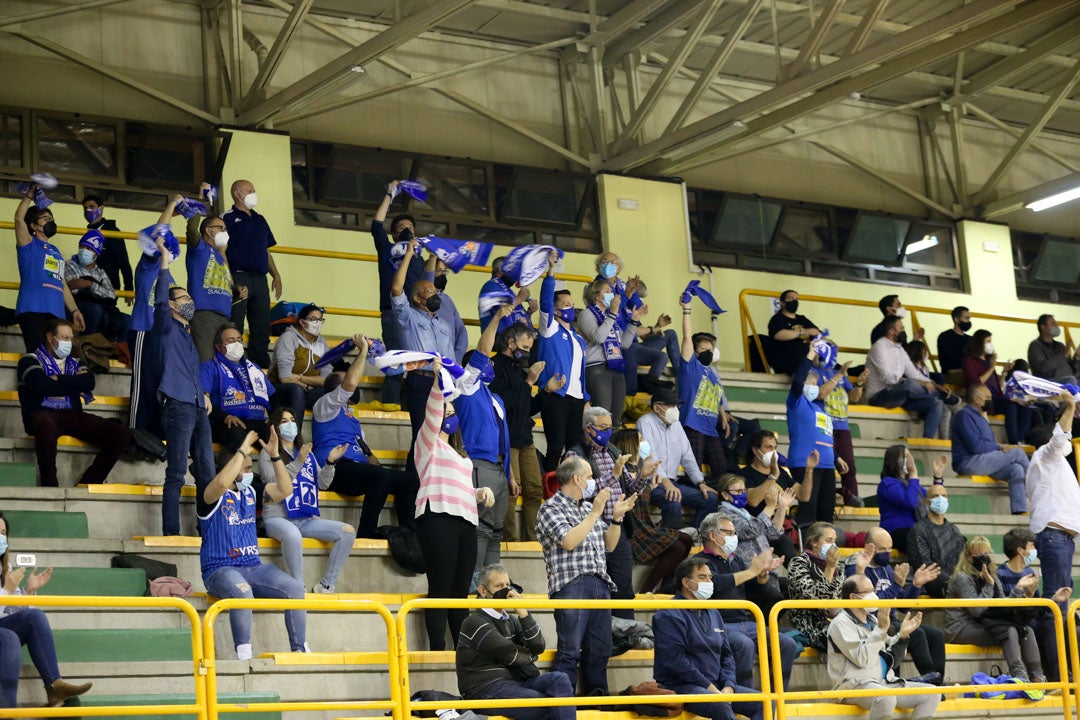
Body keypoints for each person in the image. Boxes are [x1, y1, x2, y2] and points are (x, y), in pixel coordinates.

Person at [198, 429, 307, 659]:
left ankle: (300, 650)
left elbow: (285, 490)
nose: (251, 472)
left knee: (296, 589)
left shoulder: (251, 492)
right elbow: (220, 485)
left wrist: (276, 456)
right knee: (243, 593)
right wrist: (242, 448)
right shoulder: (208, 494)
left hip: (254, 568)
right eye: (247, 468)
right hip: (220, 569)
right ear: (233, 469)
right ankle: (244, 655)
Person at [535, 455, 635, 695]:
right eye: (590, 476)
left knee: (600, 651)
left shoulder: (589, 508)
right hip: (571, 584)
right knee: (569, 651)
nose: (593, 482)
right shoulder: (550, 508)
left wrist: (616, 519)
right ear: (576, 478)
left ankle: (596, 705)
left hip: (600, 582)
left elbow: (609, 546)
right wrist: (595, 514)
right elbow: (569, 541)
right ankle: (562, 706)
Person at [414, 359, 493, 650]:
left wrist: (479, 492)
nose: (448, 411)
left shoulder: (462, 454)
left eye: (452, 408)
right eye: (445, 408)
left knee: (460, 593)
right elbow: (434, 408)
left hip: (465, 520)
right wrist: (439, 380)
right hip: (437, 517)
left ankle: (463, 653)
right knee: (441, 587)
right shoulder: (427, 443)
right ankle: (437, 649)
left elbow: (460, 487)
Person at [310, 338, 416, 539]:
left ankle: (409, 532)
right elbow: (350, 382)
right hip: (334, 470)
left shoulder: (351, 416)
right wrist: (363, 351)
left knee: (409, 481)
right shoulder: (324, 406)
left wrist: (372, 459)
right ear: (336, 390)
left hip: (357, 470)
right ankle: (366, 532)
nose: (355, 382)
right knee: (380, 476)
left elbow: (363, 448)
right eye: (349, 379)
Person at [17, 318, 131, 488]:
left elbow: (88, 383)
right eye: (64, 338)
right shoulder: (30, 360)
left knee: (122, 434)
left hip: (72, 414)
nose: (69, 342)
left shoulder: (76, 361)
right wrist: (72, 384)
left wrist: (59, 379)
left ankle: (88, 483)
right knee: (45, 426)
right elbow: (41, 386)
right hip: (41, 413)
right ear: (50, 338)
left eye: (70, 338)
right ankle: (49, 485)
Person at [152, 237, 215, 536]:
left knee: (207, 472)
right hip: (177, 406)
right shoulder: (164, 325)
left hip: (196, 406)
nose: (190, 302)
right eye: (185, 298)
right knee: (176, 473)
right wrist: (165, 259)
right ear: (172, 304)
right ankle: (171, 532)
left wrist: (203, 394)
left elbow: (192, 372)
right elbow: (160, 296)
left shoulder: (187, 334)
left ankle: (209, 530)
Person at [651, 558, 764, 720]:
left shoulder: (713, 612)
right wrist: (709, 687)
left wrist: (729, 685)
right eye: (703, 578)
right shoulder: (668, 614)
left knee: (763, 702)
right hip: (682, 684)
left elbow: (726, 655)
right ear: (686, 582)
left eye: (710, 577)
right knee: (721, 706)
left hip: (716, 685)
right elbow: (675, 661)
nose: (709, 582)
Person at [456, 565, 574, 720]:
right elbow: (509, 654)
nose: (506, 591)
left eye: (507, 585)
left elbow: (538, 646)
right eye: (498, 586)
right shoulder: (474, 621)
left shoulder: (510, 620)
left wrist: (523, 612)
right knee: (545, 705)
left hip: (514, 683)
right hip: (484, 690)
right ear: (483, 591)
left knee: (560, 679)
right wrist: (530, 656)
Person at [0, 512, 93, 708]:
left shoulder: (4, 570)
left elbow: (11, 611)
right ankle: (7, 709)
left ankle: (54, 686)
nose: (1, 538)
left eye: (3, 533)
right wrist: (6, 590)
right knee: (8, 637)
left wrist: (28, 592)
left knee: (34, 616)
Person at [694, 513, 794, 690]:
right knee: (744, 645)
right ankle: (745, 705)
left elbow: (754, 590)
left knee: (786, 644)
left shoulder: (736, 559)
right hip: (718, 624)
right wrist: (751, 571)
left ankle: (775, 701)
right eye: (729, 533)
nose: (734, 537)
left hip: (745, 622)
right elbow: (714, 585)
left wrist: (762, 575)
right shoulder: (698, 562)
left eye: (734, 533)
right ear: (712, 535)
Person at [259, 408, 354, 594]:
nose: (290, 424)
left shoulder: (306, 454)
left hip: (305, 518)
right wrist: (298, 462)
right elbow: (273, 483)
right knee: (293, 534)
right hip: (277, 517)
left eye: (292, 420)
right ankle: (297, 586)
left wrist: (330, 463)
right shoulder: (268, 453)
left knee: (347, 532)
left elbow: (323, 483)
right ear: (275, 428)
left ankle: (326, 585)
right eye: (284, 421)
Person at [454, 314, 519, 578]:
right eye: (488, 362)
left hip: (499, 469)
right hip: (478, 464)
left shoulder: (496, 399)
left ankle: (494, 585)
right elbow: (482, 349)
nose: (491, 364)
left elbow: (505, 438)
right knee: (480, 527)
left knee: (495, 532)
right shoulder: (466, 387)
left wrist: (511, 474)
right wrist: (496, 319)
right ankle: (472, 582)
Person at [828, 574, 939, 720]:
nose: (873, 595)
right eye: (867, 592)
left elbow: (891, 657)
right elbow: (862, 659)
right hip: (854, 685)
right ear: (853, 597)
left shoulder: (872, 620)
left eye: (873, 590)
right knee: (886, 697)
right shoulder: (840, 624)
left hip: (884, 682)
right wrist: (880, 630)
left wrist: (902, 636)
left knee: (932, 693)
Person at [845, 527, 945, 683]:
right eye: (882, 549)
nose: (887, 553)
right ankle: (931, 681)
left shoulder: (886, 569)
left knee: (936, 635)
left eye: (889, 548)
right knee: (916, 634)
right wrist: (897, 585)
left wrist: (916, 585)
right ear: (869, 547)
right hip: (871, 622)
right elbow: (871, 605)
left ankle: (938, 683)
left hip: (891, 619)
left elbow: (903, 607)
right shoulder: (856, 568)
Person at [946, 535, 1045, 683]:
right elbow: (977, 610)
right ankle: (1019, 676)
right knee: (1009, 630)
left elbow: (1003, 605)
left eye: (987, 553)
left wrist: (1018, 588)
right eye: (979, 554)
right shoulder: (962, 578)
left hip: (985, 623)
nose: (984, 557)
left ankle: (1038, 676)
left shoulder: (992, 574)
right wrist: (989, 584)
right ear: (969, 557)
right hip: (960, 628)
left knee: (1026, 630)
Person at [565, 407, 634, 619]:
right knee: (598, 591)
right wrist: (613, 475)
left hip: (617, 526)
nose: (608, 432)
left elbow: (629, 485)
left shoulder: (613, 451)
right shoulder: (575, 454)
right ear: (589, 428)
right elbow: (581, 490)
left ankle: (627, 633)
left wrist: (645, 476)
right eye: (603, 427)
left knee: (624, 589)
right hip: (591, 531)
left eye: (610, 427)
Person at [490, 322, 552, 542]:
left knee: (535, 490)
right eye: (525, 347)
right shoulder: (495, 366)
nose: (527, 352)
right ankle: (509, 539)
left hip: (526, 439)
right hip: (507, 440)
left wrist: (545, 392)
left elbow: (527, 407)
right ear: (510, 342)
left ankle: (533, 538)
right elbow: (503, 403)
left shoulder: (519, 370)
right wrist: (528, 382)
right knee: (511, 492)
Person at [610, 429, 693, 594]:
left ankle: (667, 588)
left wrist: (650, 486)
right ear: (629, 444)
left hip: (644, 523)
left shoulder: (641, 468)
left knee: (688, 540)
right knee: (677, 547)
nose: (644, 443)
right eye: (640, 440)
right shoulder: (621, 471)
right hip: (633, 527)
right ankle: (647, 590)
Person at [390, 238, 455, 442]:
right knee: (422, 437)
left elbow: (450, 359)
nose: (434, 295)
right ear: (417, 298)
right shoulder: (408, 316)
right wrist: (409, 254)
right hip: (420, 381)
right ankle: (415, 475)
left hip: (443, 383)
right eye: (428, 292)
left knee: (442, 438)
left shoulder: (443, 325)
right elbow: (396, 290)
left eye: (435, 291)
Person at [14, 182, 85, 352]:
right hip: (32, 310)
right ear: (33, 225)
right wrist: (30, 193)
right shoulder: (29, 244)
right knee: (38, 355)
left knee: (56, 358)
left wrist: (75, 310)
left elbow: (61, 283)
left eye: (51, 219)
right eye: (45, 219)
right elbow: (18, 219)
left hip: (56, 314)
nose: (50, 222)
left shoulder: (56, 251)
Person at [996, 527, 1072, 684]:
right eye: (1032, 546)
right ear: (1020, 550)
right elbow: (1005, 610)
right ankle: (1059, 676)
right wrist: (1026, 594)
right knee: (1040, 626)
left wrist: (1053, 599)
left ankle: (1064, 674)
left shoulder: (1029, 572)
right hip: (1012, 623)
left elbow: (1037, 610)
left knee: (1058, 623)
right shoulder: (1000, 574)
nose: (1035, 550)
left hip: (1030, 619)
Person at [371, 184, 426, 403]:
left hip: (416, 313)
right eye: (402, 227)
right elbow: (376, 225)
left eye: (410, 228)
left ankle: (410, 404)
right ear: (393, 233)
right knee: (396, 360)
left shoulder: (419, 257)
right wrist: (389, 195)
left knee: (417, 364)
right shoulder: (386, 249)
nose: (407, 230)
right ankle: (390, 405)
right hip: (393, 312)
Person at [1026, 391, 1079, 617]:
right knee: (1056, 604)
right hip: (1055, 536)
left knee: (1061, 602)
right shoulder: (1045, 456)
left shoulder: (1053, 465)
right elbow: (1059, 440)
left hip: (1062, 539)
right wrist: (1069, 408)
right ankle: (1054, 653)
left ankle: (1060, 651)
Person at [536, 252, 588, 472]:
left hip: (576, 398)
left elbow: (580, 372)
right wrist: (550, 273)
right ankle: (549, 494)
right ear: (556, 310)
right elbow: (545, 301)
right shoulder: (550, 329)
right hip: (556, 396)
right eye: (565, 304)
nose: (570, 307)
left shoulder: (578, 338)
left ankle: (571, 491)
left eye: (572, 303)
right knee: (555, 447)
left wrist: (586, 396)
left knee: (574, 449)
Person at [222, 179, 282, 368]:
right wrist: (231, 281)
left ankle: (260, 365)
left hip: (260, 278)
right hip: (238, 276)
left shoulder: (260, 219)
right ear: (238, 194)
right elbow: (220, 251)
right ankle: (233, 364)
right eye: (250, 190)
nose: (254, 193)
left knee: (262, 325)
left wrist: (276, 275)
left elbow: (265, 250)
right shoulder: (227, 218)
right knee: (235, 323)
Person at [638, 388, 719, 529]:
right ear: (657, 408)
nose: (675, 409)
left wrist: (700, 482)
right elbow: (649, 457)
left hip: (672, 483)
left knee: (711, 498)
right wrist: (665, 482)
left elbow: (688, 457)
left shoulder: (677, 425)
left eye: (676, 406)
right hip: (651, 483)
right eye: (670, 406)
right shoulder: (645, 422)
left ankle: (695, 536)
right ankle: (671, 542)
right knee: (673, 499)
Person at [787, 345, 848, 526]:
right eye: (811, 385)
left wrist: (837, 458)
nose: (815, 389)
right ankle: (805, 550)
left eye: (816, 385)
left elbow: (824, 435)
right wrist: (811, 354)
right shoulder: (796, 403)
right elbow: (798, 383)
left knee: (826, 513)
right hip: (804, 463)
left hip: (828, 465)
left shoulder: (819, 408)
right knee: (808, 511)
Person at [951, 384, 1028, 514]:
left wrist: (998, 448)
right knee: (1017, 453)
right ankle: (1038, 486)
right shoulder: (964, 415)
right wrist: (999, 446)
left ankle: (1019, 510)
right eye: (988, 397)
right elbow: (976, 446)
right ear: (977, 399)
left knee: (1016, 469)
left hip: (982, 461)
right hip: (968, 462)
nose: (990, 401)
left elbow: (987, 444)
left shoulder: (980, 417)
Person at [865, 316, 944, 438]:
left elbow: (914, 373)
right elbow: (889, 378)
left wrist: (935, 385)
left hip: (901, 395)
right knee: (910, 384)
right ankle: (937, 393)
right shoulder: (879, 347)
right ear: (892, 331)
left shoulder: (900, 349)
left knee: (936, 403)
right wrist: (919, 383)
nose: (904, 331)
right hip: (879, 396)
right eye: (901, 328)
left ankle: (926, 441)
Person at [200, 323, 273, 454]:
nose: (237, 343)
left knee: (275, 439)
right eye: (231, 340)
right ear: (218, 346)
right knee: (236, 435)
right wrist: (225, 416)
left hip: (256, 422)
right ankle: (240, 474)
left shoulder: (254, 368)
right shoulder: (209, 367)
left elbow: (271, 394)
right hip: (226, 423)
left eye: (239, 340)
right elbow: (202, 398)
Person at [677, 296, 728, 485]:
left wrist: (723, 414)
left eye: (711, 349)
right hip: (692, 425)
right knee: (694, 468)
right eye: (703, 348)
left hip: (711, 428)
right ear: (695, 351)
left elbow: (718, 397)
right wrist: (687, 310)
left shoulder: (713, 374)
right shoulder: (689, 368)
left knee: (722, 471)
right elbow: (686, 335)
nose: (708, 351)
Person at [578, 278, 641, 423]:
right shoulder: (587, 314)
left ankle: (610, 446)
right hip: (596, 368)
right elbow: (598, 337)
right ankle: (597, 445)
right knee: (602, 416)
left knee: (616, 417)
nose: (612, 295)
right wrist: (612, 314)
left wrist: (633, 322)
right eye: (607, 291)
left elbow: (624, 343)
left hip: (615, 367)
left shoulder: (609, 316)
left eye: (611, 291)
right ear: (596, 296)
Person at [733, 430, 800, 563]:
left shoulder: (782, 473)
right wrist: (773, 476)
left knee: (793, 554)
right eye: (768, 447)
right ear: (756, 450)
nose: (773, 452)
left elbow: (804, 496)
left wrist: (809, 470)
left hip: (779, 527)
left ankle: (800, 579)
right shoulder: (744, 473)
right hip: (755, 528)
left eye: (774, 448)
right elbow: (753, 501)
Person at [186, 193, 238, 362]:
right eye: (220, 228)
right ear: (208, 230)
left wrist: (237, 290)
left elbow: (227, 283)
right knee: (206, 360)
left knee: (228, 362)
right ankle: (204, 390)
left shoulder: (220, 255)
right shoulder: (199, 249)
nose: (225, 231)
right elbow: (192, 229)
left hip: (225, 316)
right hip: (204, 315)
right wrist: (201, 200)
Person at [962, 330, 1036, 444]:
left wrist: (1004, 372)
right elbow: (975, 382)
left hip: (997, 397)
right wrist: (992, 368)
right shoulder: (970, 360)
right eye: (988, 341)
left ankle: (1020, 439)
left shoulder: (988, 361)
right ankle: (1014, 442)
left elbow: (996, 386)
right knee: (1010, 406)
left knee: (1026, 408)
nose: (990, 344)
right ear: (979, 342)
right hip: (985, 399)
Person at [269, 303, 332, 436]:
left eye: (321, 319)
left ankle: (330, 441)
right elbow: (285, 378)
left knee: (332, 389)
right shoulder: (288, 338)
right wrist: (308, 386)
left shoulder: (322, 343)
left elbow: (326, 379)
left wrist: (301, 378)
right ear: (302, 323)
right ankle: (294, 438)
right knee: (295, 389)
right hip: (278, 389)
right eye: (314, 319)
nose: (318, 323)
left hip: (304, 389)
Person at [876, 445, 947, 553]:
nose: (910, 461)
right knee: (923, 542)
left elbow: (932, 501)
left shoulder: (913, 485)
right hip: (897, 531)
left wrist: (937, 478)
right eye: (905, 457)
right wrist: (914, 474)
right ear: (894, 461)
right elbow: (910, 502)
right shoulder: (888, 483)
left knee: (956, 539)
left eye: (910, 457)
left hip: (918, 529)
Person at [819, 346, 865, 507]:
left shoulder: (840, 374)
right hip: (824, 424)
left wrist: (859, 384)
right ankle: (828, 501)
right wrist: (838, 374)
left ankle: (852, 501)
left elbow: (854, 398)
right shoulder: (815, 372)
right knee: (826, 465)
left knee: (849, 467)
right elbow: (819, 394)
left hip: (842, 426)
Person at [717, 474, 794, 571]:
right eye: (738, 491)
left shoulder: (744, 513)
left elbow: (771, 534)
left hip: (764, 569)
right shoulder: (724, 515)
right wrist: (769, 507)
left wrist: (782, 507)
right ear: (725, 495)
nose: (742, 494)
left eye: (744, 490)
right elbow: (750, 530)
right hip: (748, 573)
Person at [63, 230, 129, 340]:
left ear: (96, 254)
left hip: (100, 309)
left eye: (88, 249)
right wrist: (97, 287)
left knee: (128, 320)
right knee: (95, 310)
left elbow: (111, 294)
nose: (83, 251)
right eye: (81, 247)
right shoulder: (70, 264)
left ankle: (117, 353)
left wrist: (89, 284)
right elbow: (74, 287)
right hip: (76, 307)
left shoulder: (100, 272)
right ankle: (84, 347)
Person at [787, 521, 843, 652]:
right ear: (814, 542)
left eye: (835, 541)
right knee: (844, 638)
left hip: (834, 621)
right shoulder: (798, 563)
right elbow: (815, 596)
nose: (833, 545)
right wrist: (829, 568)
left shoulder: (837, 566)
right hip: (808, 624)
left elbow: (837, 597)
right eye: (829, 540)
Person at [907, 483, 965, 599]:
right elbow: (925, 567)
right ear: (927, 502)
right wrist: (954, 583)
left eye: (944, 496)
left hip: (956, 585)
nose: (941, 499)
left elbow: (962, 561)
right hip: (934, 587)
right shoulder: (918, 530)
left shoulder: (954, 530)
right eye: (936, 496)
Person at [82, 194, 133, 298]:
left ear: (101, 208)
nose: (88, 210)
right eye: (85, 208)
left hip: (108, 286)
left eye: (91, 207)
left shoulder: (112, 232)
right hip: (89, 285)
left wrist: (128, 288)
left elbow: (123, 261)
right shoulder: (87, 233)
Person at [905, 340, 956, 440]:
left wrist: (938, 386)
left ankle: (946, 440)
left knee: (949, 410)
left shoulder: (924, 367)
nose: (926, 354)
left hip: (929, 395)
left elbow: (928, 380)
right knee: (940, 401)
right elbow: (914, 380)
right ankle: (928, 439)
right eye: (923, 351)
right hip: (917, 398)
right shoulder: (909, 366)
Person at [424, 256, 468, 363]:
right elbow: (427, 281)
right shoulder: (421, 298)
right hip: (428, 361)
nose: (443, 275)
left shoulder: (447, 300)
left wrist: (456, 359)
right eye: (439, 270)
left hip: (448, 361)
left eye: (445, 271)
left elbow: (461, 331)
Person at [766, 289, 819, 375]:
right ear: (782, 302)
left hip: (808, 361)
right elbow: (778, 334)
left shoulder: (802, 319)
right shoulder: (777, 319)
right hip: (789, 363)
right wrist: (803, 332)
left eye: (796, 299)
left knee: (836, 369)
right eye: (790, 298)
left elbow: (817, 332)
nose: (794, 301)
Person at [479, 256, 535, 333]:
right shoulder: (491, 285)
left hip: (518, 340)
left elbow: (515, 315)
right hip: (501, 340)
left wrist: (529, 313)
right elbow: (500, 311)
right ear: (501, 270)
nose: (515, 274)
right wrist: (520, 298)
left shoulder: (508, 290)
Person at [1027, 314, 1080, 384]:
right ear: (1043, 327)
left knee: (1072, 379)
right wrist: (1064, 355)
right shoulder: (1035, 346)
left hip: (1070, 380)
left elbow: (1072, 369)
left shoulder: (1060, 346)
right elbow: (1043, 368)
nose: (1056, 325)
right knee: (1071, 380)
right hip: (1048, 383)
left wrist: (1076, 357)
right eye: (1053, 323)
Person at [936, 305, 971, 377]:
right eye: (966, 318)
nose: (968, 321)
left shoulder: (970, 339)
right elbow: (948, 362)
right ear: (956, 319)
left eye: (969, 318)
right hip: (952, 374)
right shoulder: (945, 337)